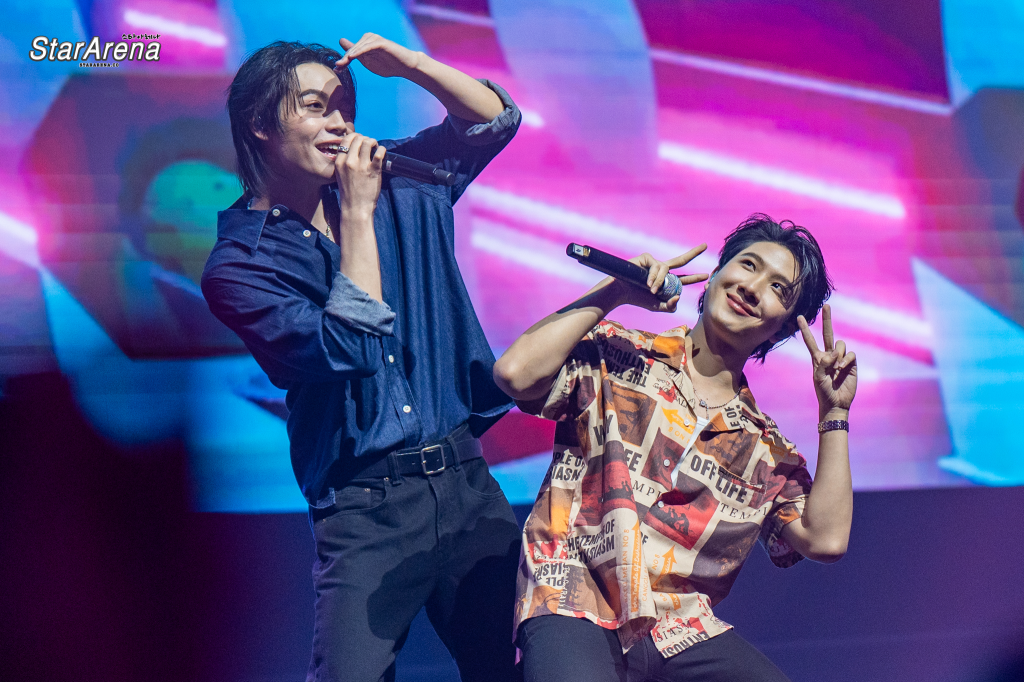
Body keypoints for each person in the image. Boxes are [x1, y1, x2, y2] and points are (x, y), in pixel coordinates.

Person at [201, 35, 522, 682]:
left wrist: (412, 65)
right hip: (363, 507)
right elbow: (351, 343)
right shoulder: (241, 264)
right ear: (260, 123)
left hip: (466, 483)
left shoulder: (402, 180)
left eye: (346, 107)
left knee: (515, 667)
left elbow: (495, 121)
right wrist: (357, 212)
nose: (340, 123)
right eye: (316, 107)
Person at [493, 215, 857, 682]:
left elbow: (826, 540)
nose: (751, 288)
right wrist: (615, 292)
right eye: (747, 265)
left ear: (781, 328)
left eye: (777, 289)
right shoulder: (616, 353)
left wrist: (834, 413)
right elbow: (515, 374)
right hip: (573, 596)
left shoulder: (766, 448)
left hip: (681, 629)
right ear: (717, 273)